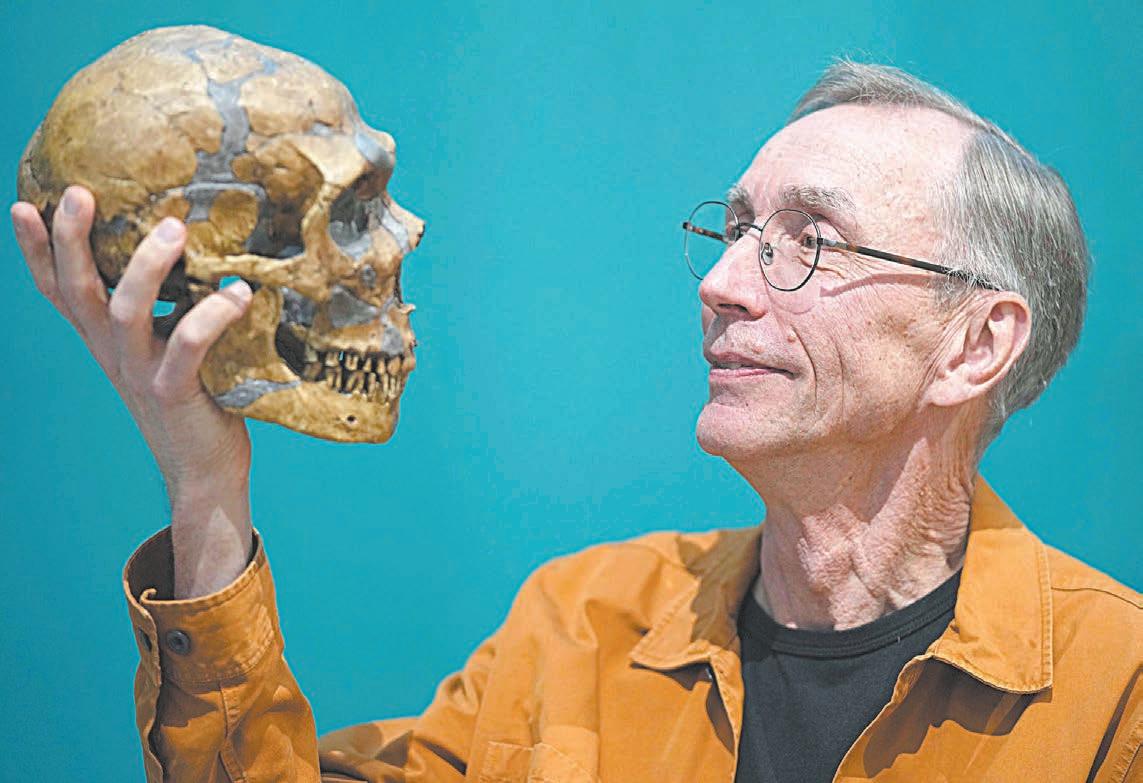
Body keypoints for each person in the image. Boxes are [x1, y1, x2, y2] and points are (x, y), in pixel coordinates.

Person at [11, 60, 1141, 783]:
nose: (723, 284)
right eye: (736, 230)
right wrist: (205, 491)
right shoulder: (578, 627)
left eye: (811, 242)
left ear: (975, 345)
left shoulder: (1116, 693)